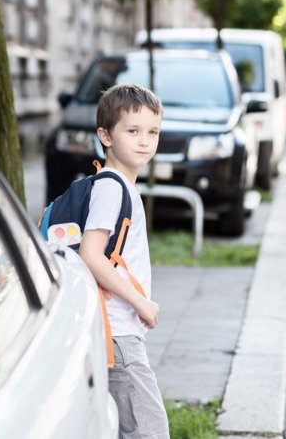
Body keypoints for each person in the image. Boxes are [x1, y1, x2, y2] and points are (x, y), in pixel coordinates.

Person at [79, 83, 169, 439]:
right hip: (117, 331)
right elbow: (91, 255)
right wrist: (139, 302)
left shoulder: (119, 186)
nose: (145, 141)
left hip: (118, 330)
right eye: (133, 131)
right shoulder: (112, 187)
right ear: (106, 135)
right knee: (150, 430)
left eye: (152, 132)